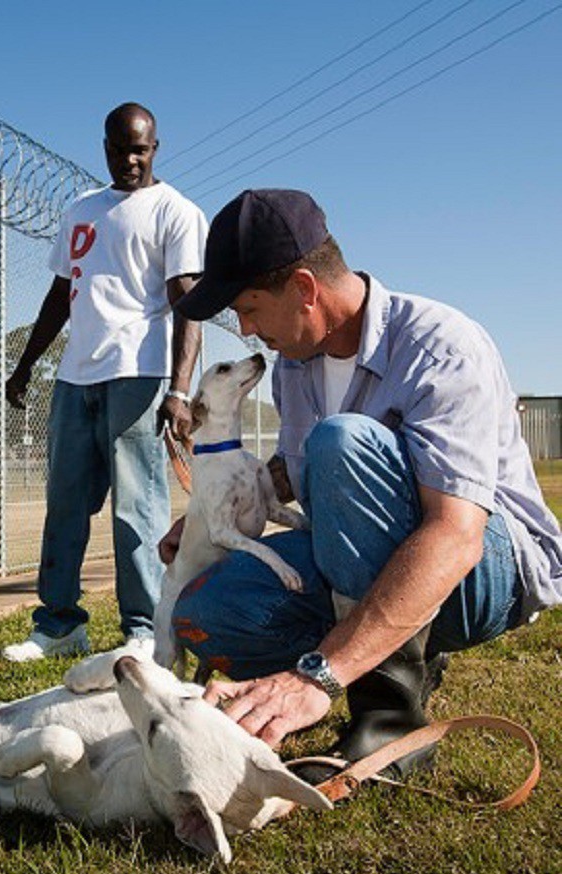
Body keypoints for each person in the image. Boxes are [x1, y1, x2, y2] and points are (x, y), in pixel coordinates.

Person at [166, 188, 562, 777]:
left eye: (249, 308)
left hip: (486, 569)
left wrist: (317, 677)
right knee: (209, 608)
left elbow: (456, 534)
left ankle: (390, 721)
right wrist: (212, 507)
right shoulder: (294, 368)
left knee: (344, 441)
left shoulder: (439, 346)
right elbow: (297, 472)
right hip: (370, 559)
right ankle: (393, 642)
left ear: (305, 289)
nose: (246, 330)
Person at [1, 102, 207, 662]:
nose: (130, 160)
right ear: (105, 147)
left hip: (137, 374)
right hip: (75, 377)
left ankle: (142, 628)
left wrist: (180, 390)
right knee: (64, 504)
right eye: (119, 150)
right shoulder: (82, 209)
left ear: (156, 148)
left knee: (135, 509)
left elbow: (188, 304)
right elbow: (58, 297)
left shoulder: (176, 212)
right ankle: (60, 624)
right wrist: (25, 365)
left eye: (140, 150)